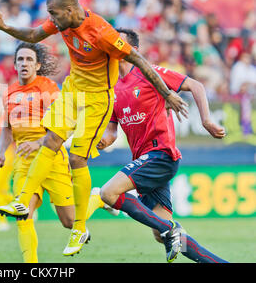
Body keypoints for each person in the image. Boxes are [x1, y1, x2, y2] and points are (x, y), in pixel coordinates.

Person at [0, 0, 188, 256]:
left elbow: (138, 58)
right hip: (72, 91)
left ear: (70, 10)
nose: (52, 20)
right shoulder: (62, 22)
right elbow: (34, 34)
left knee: (77, 160)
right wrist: (5, 27)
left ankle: (80, 227)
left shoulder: (102, 32)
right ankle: (22, 201)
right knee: (51, 139)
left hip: (96, 101)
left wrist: (167, 94)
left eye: (55, 15)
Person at [87, 28, 228, 263]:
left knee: (108, 193)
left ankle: (168, 229)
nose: (111, 48)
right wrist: (97, 142)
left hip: (161, 153)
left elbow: (196, 86)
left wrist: (206, 120)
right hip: (143, 162)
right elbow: (111, 134)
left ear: (130, 50)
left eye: (116, 44)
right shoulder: (112, 89)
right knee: (161, 233)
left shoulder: (148, 73)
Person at [0, 42, 75, 263]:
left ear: (37, 65)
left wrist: (38, 143)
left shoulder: (48, 88)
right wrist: (1, 152)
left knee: (69, 221)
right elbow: (7, 128)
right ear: (15, 64)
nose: (24, 63)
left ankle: (97, 198)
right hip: (24, 161)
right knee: (23, 216)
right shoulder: (9, 93)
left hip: (52, 158)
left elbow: (60, 126)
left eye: (29, 59)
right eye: (20, 59)